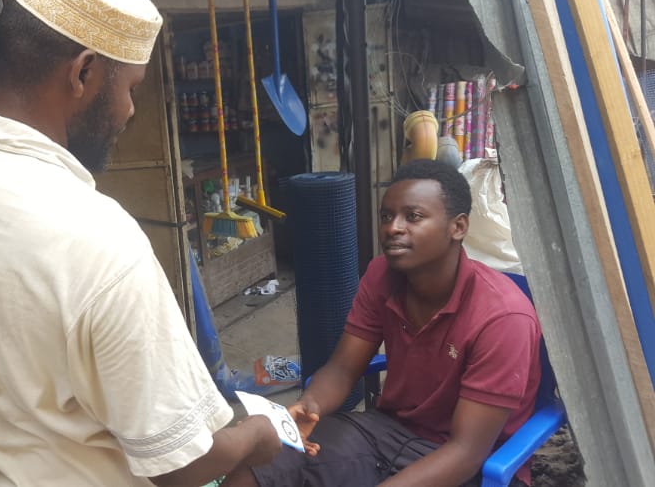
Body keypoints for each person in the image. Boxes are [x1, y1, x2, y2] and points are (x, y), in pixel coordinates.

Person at [0, 0, 281, 487]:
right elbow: (182, 463)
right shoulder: (99, 239)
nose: (130, 111)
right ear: (82, 72)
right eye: (131, 90)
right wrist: (258, 434)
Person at [223, 159, 542, 487]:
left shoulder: (502, 318)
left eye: (413, 216)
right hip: (386, 433)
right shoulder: (382, 276)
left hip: (470, 465)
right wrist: (308, 405)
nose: (393, 228)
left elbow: (466, 452)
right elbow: (342, 369)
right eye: (387, 216)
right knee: (258, 468)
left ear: (458, 227)